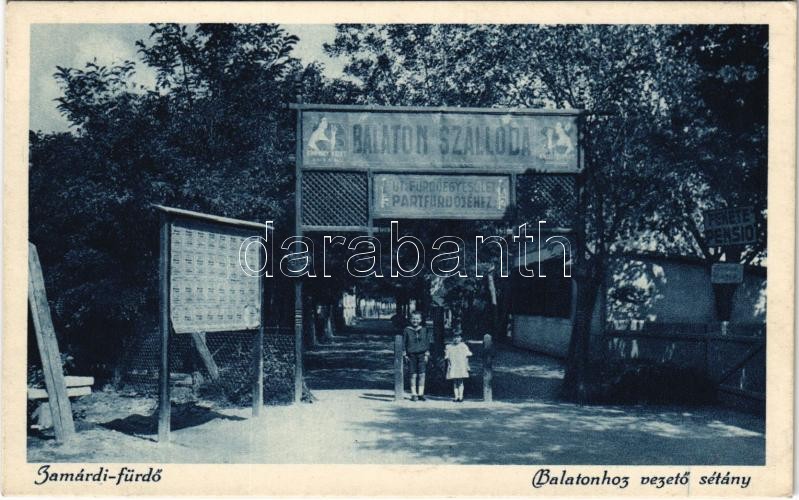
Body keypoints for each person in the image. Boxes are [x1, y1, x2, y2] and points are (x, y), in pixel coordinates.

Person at [403, 311, 432, 401]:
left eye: (417, 319)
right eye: (413, 319)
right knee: (413, 374)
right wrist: (404, 353)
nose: (415, 321)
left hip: (422, 354)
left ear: (420, 320)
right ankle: (413, 394)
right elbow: (404, 342)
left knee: (422, 374)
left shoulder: (424, 329)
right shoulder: (407, 330)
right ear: (410, 319)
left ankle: (421, 393)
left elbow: (427, 342)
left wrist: (427, 353)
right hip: (411, 354)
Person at [445, 332, 472, 402]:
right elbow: (448, 358)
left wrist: (467, 365)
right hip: (454, 365)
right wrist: (449, 365)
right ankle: (456, 396)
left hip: (461, 365)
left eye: (458, 337)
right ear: (452, 338)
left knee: (460, 381)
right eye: (454, 337)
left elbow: (467, 357)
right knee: (455, 381)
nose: (456, 339)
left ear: (461, 338)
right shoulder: (449, 347)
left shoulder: (463, 346)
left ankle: (461, 396)